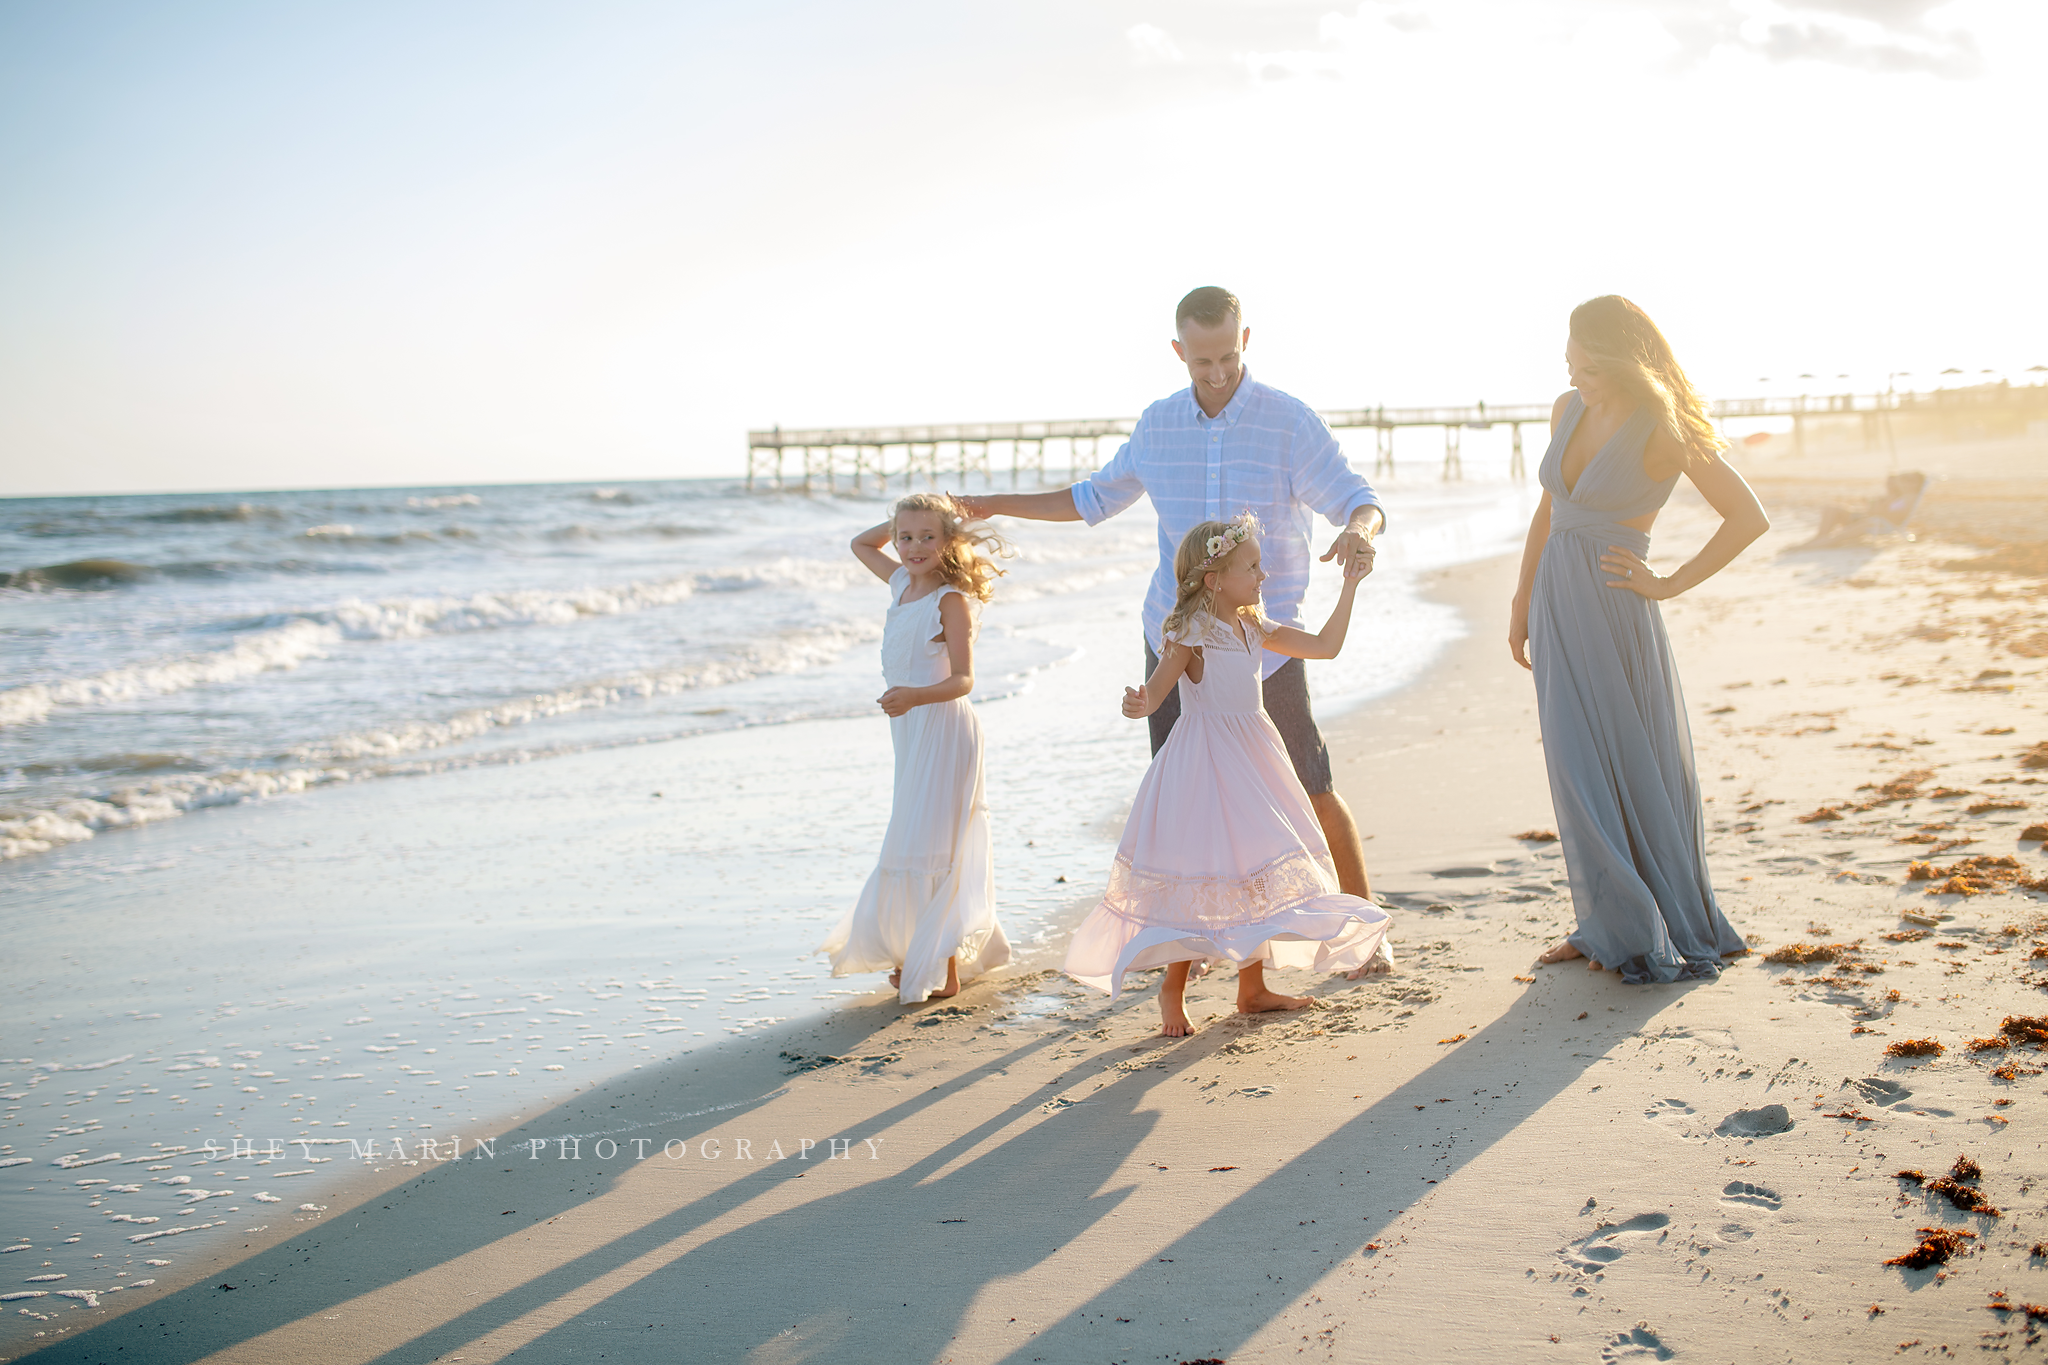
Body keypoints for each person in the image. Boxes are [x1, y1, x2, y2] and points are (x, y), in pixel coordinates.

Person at [956, 286, 1390, 974]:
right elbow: (1091, 498)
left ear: (1245, 340)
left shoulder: (1287, 421)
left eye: (1226, 356)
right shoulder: (1158, 426)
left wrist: (1360, 533)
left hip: (1260, 648)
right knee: (1185, 806)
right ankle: (1196, 952)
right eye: (1201, 360)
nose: (1216, 373)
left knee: (1307, 785)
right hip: (1178, 645)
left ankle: (1366, 932)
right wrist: (989, 504)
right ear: (1178, 350)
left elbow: (1355, 497)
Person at [1508, 296, 1769, 983]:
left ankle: (1635, 924)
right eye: (1571, 358)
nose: (1575, 372)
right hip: (1557, 604)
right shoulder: (1568, 410)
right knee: (1574, 766)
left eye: (1589, 364)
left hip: (1618, 613)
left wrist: (1670, 582)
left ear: (1623, 363)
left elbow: (1747, 516)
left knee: (1626, 763)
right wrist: (1519, 600)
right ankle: (1606, 921)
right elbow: (1548, 509)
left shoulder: (1664, 428)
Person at [1064, 515, 1392, 1036]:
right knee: (1202, 875)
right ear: (1215, 579)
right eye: (1253, 566)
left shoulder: (1254, 627)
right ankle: (1172, 988)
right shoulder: (1191, 634)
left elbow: (1326, 646)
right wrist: (1137, 702)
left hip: (1256, 761)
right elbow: (1155, 693)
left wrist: (1349, 586)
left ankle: (1252, 987)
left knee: (1254, 872)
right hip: (1205, 764)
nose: (1264, 574)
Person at [821, 493, 1013, 1003]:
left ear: (949, 541)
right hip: (909, 727)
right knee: (913, 838)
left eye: (928, 536)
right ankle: (919, 954)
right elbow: (861, 542)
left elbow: (964, 680)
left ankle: (941, 968)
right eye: (905, 537)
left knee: (933, 843)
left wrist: (914, 696)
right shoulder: (900, 582)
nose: (913, 547)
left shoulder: (948, 599)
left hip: (944, 726)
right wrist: (905, 519)